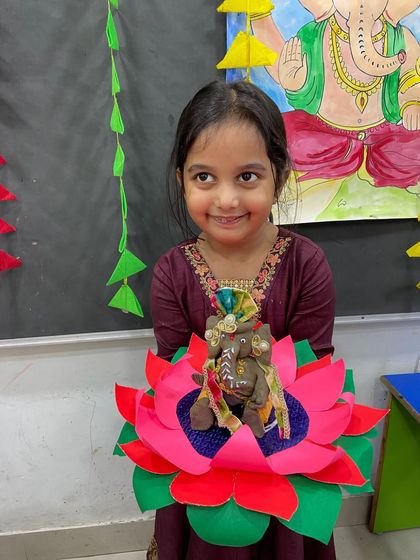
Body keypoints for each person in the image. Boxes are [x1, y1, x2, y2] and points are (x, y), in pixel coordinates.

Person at [148, 80, 336, 560]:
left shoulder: (305, 264)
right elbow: (172, 377)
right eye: (204, 177)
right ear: (181, 179)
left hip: (281, 453)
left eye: (247, 177)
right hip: (200, 461)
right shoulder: (172, 272)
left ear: (281, 176)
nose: (226, 200)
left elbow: (316, 375)